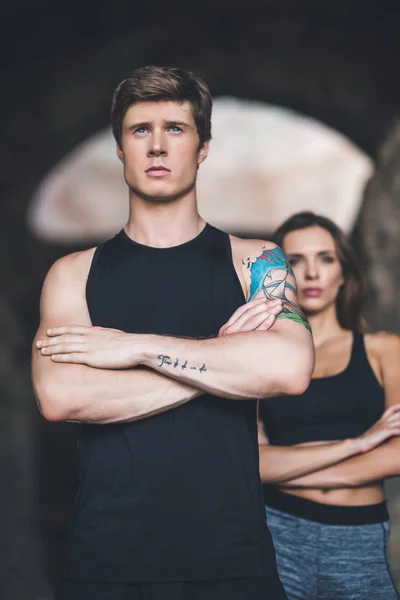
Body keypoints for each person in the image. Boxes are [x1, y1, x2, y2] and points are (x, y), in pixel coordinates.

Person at [32, 66, 314, 600]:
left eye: (176, 129)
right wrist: (230, 363)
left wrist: (134, 348)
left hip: (234, 559)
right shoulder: (73, 273)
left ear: (203, 147)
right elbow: (61, 395)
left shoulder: (257, 260)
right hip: (107, 561)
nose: (157, 146)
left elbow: (290, 370)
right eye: (140, 130)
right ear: (119, 147)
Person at [258, 210, 400, 600]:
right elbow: (249, 461)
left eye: (326, 258)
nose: (312, 274)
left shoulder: (384, 350)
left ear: (344, 272)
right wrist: (355, 445)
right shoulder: (259, 357)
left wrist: (294, 471)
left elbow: (398, 453)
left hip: (358, 535)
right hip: (277, 533)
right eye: (295, 261)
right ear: (278, 275)